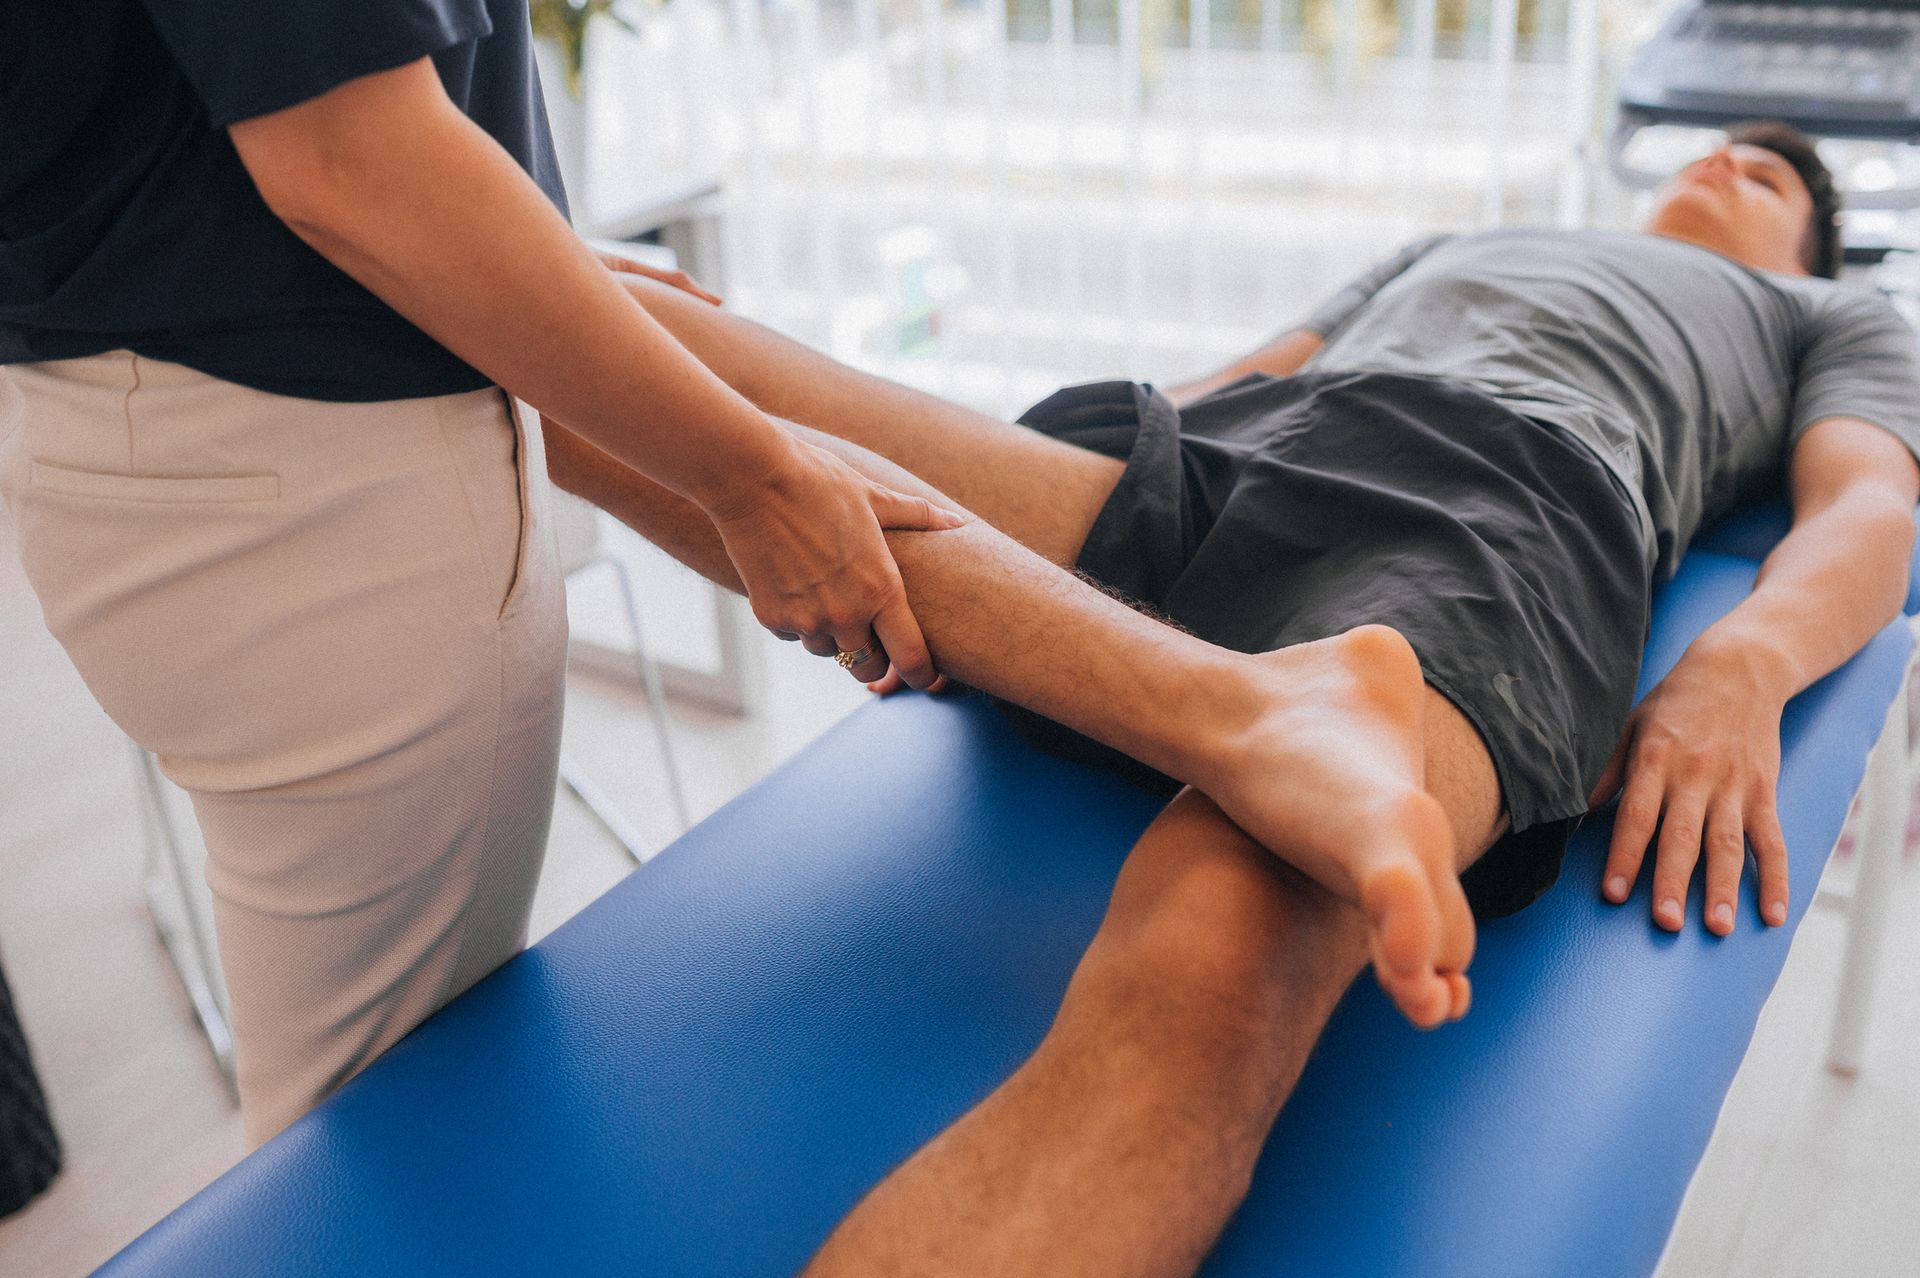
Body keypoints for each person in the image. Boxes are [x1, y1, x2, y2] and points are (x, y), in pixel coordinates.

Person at [531, 122, 1920, 1274]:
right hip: (1220, 459)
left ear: (1805, 245)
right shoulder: (1466, 237)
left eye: (1773, 177)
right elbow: (1257, 372)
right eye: (1725, 145)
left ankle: (1325, 710)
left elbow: (1868, 508)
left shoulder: (1827, 312)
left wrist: (1736, 666)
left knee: (1207, 969)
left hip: (1490, 506)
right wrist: (1001, 477)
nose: (1731, 160)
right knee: (608, 342)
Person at [0, 2, 961, 1143]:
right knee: (380, 1137)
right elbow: (344, 152)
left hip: (148, 430)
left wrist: (514, 242)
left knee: (364, 1115)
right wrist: (761, 485)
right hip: (303, 472)